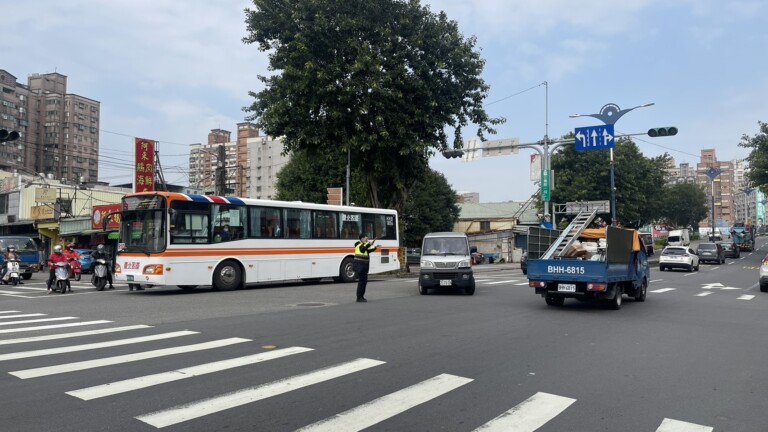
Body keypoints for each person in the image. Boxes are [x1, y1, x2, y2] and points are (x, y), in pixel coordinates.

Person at [353, 233, 377, 302]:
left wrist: (375, 247)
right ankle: (359, 297)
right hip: (361, 267)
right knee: (362, 282)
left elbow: (368, 251)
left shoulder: (363, 245)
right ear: (362, 238)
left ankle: (361, 296)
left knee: (364, 282)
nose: (367, 239)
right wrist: (369, 243)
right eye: (366, 238)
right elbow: (363, 249)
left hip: (363, 267)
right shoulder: (359, 245)